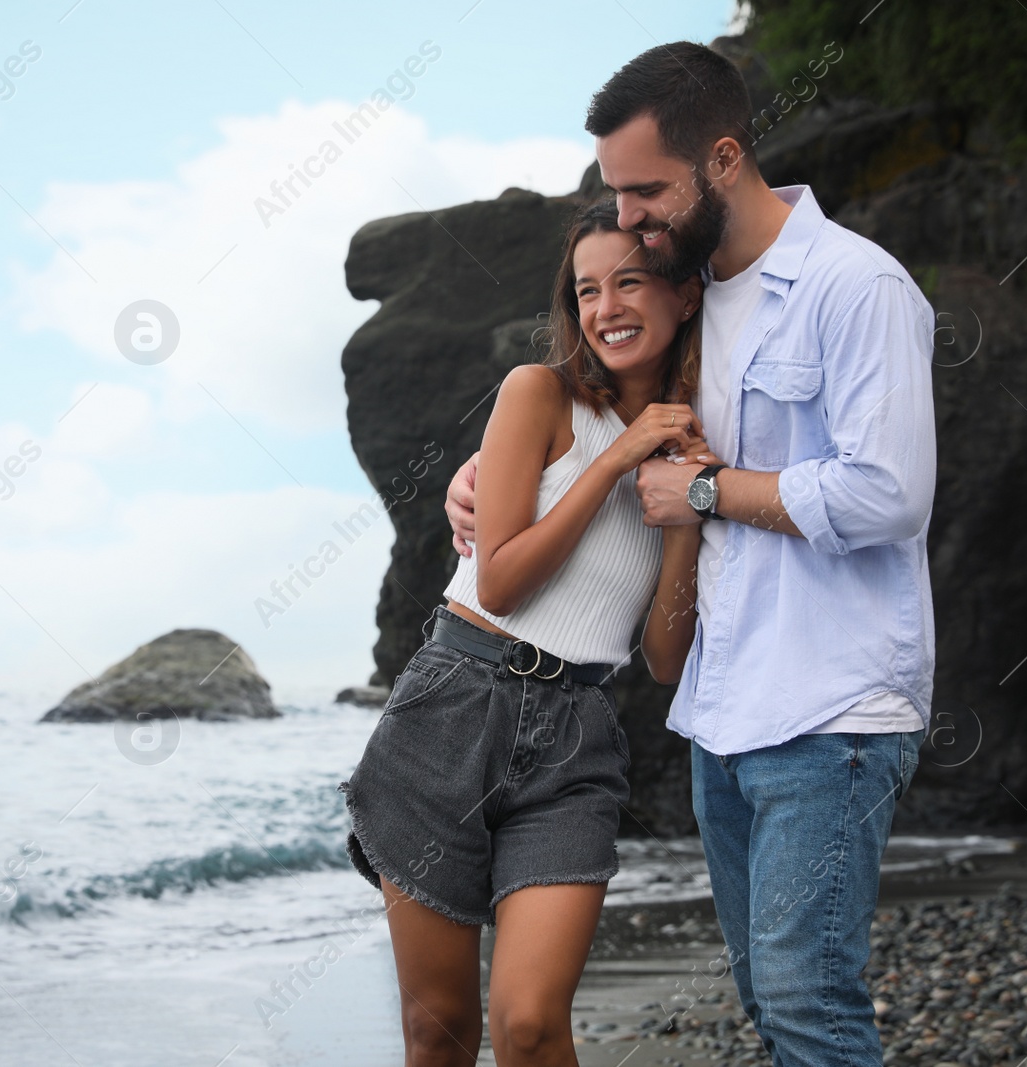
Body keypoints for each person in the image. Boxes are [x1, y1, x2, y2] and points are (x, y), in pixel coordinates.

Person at [446, 41, 936, 1067]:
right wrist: (484, 478)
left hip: (834, 706)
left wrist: (709, 490)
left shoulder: (856, 286)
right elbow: (598, 395)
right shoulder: (694, 293)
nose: (628, 216)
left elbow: (887, 492)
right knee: (769, 1000)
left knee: (810, 1004)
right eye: (614, 193)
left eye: (643, 190)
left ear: (721, 157)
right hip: (720, 711)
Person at [340, 196, 709, 1066]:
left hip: (575, 739)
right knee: (439, 1031)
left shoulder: (692, 441)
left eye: (629, 281)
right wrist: (617, 459)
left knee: (533, 1024)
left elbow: (662, 657)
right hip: (450, 710)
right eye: (587, 290)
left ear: (685, 293)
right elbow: (500, 579)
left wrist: (686, 513)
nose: (606, 308)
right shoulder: (536, 393)